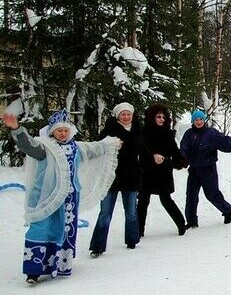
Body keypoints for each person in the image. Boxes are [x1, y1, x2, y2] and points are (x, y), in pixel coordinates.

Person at [2, 109, 119, 283]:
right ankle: (33, 270)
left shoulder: (76, 147)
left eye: (66, 130)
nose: (63, 134)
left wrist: (112, 143)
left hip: (70, 199)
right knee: (42, 228)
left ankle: (60, 264)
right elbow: (28, 145)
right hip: (47, 198)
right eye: (59, 130)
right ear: (52, 132)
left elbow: (95, 147)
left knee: (65, 230)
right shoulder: (45, 148)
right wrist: (17, 129)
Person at [89, 102, 145, 257]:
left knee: (131, 212)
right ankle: (97, 246)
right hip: (111, 176)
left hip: (132, 176)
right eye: (123, 114)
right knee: (105, 212)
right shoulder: (109, 130)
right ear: (117, 116)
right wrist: (111, 145)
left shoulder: (138, 129)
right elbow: (98, 147)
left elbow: (144, 149)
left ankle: (132, 239)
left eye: (128, 114)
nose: (126, 117)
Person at [180, 109, 231, 228]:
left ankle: (228, 210)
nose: (199, 122)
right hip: (194, 170)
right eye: (196, 120)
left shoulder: (211, 133)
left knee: (212, 194)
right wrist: (182, 158)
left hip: (208, 170)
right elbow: (184, 148)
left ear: (204, 120)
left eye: (201, 119)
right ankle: (191, 221)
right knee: (191, 195)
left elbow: (227, 143)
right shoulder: (188, 134)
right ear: (193, 121)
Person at [138, 104, 187, 237]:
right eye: (158, 117)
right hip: (147, 172)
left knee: (166, 199)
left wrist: (181, 160)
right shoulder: (144, 133)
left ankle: (181, 224)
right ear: (152, 117)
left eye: (163, 117)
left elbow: (175, 151)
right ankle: (138, 230)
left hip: (163, 172)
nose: (161, 119)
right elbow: (141, 150)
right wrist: (152, 156)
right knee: (143, 202)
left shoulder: (168, 134)